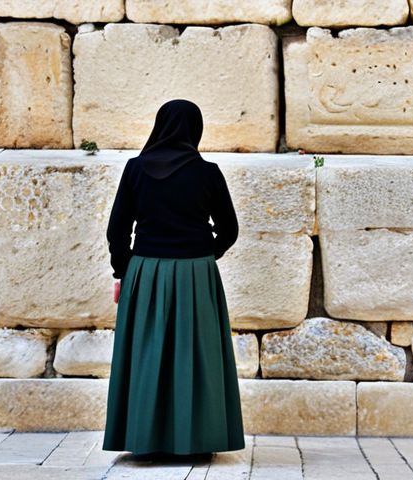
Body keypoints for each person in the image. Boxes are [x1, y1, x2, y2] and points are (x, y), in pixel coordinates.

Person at [103, 99, 244, 456]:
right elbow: (229, 229)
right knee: (196, 354)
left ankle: (144, 440)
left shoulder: (135, 169)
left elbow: (117, 230)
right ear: (194, 129)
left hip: (146, 271)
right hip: (196, 272)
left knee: (148, 353)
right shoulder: (208, 172)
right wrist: (206, 253)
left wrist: (124, 271)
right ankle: (197, 439)